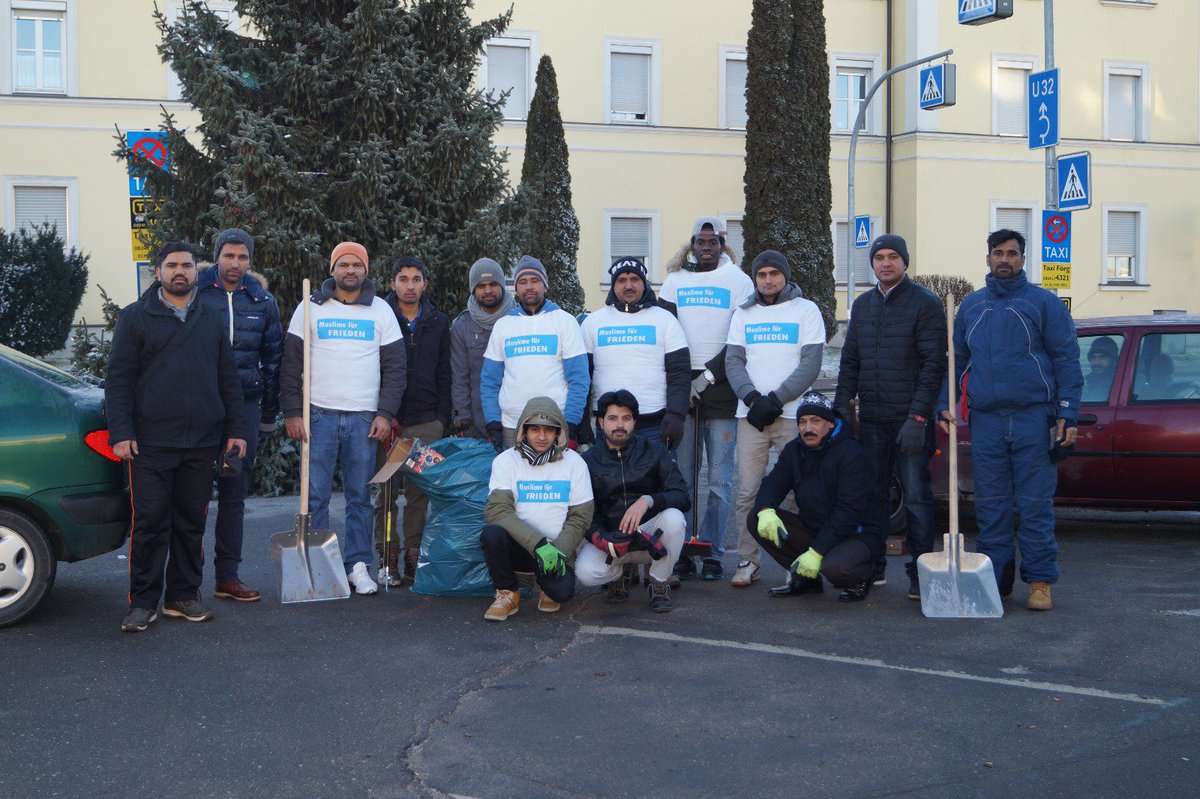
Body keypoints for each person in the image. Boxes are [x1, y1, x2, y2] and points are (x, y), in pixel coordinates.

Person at [938, 229, 1082, 612]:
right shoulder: (971, 306)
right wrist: (944, 403)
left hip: (1034, 417)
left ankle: (1039, 581)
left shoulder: (1043, 304)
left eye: (1012, 254)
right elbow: (955, 362)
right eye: (998, 253)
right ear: (987, 258)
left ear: (1022, 259)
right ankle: (996, 583)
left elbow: (1067, 358)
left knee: (1035, 503)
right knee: (991, 505)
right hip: (986, 421)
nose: (1005, 259)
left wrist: (1068, 412)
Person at [105, 242, 246, 632]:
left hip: (201, 442)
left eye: (186, 265)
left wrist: (236, 430)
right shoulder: (135, 318)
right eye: (172, 265)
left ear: (196, 271)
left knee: (190, 523)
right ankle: (143, 602)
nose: (179, 271)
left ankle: (183, 596)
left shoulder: (211, 318)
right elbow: (118, 381)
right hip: (149, 443)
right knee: (149, 523)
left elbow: (228, 379)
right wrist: (121, 433)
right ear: (159, 271)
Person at [279, 242, 406, 596]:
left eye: (357, 265)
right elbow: (291, 364)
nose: (350, 270)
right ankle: (321, 565)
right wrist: (292, 411)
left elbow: (395, 369)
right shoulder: (310, 307)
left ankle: (357, 565)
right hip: (317, 414)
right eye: (343, 264)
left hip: (364, 417)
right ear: (332, 268)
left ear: (365, 270)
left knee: (359, 497)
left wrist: (385, 413)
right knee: (315, 495)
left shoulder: (380, 310)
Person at [833, 234, 945, 600]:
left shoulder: (925, 304)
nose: (885, 263)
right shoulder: (863, 306)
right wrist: (841, 403)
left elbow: (933, 366)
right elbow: (850, 360)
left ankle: (920, 573)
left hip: (909, 421)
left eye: (893, 256)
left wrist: (918, 417)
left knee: (915, 498)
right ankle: (874, 566)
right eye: (879, 257)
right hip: (873, 420)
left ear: (905, 262)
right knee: (873, 497)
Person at [659, 217, 754, 582]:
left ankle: (712, 550)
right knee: (681, 477)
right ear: (693, 244)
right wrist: (686, 381)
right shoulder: (675, 281)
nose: (707, 246)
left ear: (722, 244)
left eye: (713, 241)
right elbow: (666, 330)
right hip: (684, 387)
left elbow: (738, 336)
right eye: (701, 240)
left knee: (718, 479)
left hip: (722, 389)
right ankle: (682, 549)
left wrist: (709, 376)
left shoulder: (738, 280)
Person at [725, 250, 825, 588]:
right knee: (747, 492)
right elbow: (733, 362)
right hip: (750, 417)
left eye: (774, 274)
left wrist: (776, 400)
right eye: (762, 274)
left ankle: (795, 561)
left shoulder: (806, 310)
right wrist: (753, 400)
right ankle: (747, 560)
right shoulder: (743, 313)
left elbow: (810, 364)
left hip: (794, 418)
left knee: (798, 494)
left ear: (785, 275)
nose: (768, 280)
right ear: (755, 279)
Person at [195, 227, 282, 603]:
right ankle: (187, 580)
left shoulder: (262, 300)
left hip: (243, 408)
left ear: (250, 260)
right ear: (217, 257)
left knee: (234, 493)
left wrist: (267, 416)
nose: (235, 263)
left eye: (242, 257)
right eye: (228, 255)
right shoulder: (194, 292)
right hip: (198, 407)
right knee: (192, 495)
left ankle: (227, 576)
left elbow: (274, 360)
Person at [747, 392, 881, 602]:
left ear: (830, 423)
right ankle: (806, 580)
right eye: (802, 422)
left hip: (856, 534)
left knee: (835, 570)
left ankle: (865, 574)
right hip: (815, 527)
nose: (808, 428)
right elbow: (773, 483)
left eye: (815, 421)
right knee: (756, 519)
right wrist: (765, 510)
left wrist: (817, 552)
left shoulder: (851, 453)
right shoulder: (794, 450)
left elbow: (848, 511)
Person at [372, 256, 451, 586]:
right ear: (392, 283)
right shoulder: (379, 316)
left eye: (416, 279)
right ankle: (386, 554)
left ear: (424, 284)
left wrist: (441, 420)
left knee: (419, 493)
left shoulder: (438, 321)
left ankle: (413, 554)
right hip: (388, 422)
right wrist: (383, 414)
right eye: (402, 279)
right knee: (385, 493)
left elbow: (445, 373)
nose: (409, 285)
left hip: (425, 422)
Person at [480, 397, 593, 621]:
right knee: (492, 534)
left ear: (558, 432)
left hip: (556, 549)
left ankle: (544, 585)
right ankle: (507, 593)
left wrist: (558, 550)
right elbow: (497, 511)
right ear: (524, 430)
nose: (542, 437)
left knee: (562, 593)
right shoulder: (506, 461)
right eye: (535, 429)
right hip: (521, 546)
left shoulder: (575, 462)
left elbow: (581, 517)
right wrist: (538, 544)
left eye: (548, 430)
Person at [577, 390, 690, 612]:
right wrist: (600, 537)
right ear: (600, 422)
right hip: (614, 540)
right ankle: (619, 575)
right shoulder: (587, 461)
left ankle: (658, 580)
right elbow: (585, 511)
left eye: (626, 418)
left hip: (650, 537)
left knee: (675, 519)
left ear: (635, 422)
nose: (620, 424)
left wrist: (648, 501)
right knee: (585, 572)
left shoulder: (654, 450)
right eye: (612, 418)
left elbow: (682, 496)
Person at [480, 256, 590, 450]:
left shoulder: (565, 322)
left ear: (545, 285)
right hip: (510, 427)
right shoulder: (503, 326)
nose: (529, 286)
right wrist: (493, 423)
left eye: (535, 280)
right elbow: (489, 382)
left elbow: (579, 379)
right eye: (523, 282)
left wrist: (571, 424)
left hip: (553, 427)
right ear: (516, 289)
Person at [580, 257, 690, 446]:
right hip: (608, 427)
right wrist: (582, 422)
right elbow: (583, 376)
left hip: (655, 426)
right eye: (622, 280)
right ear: (613, 285)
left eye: (635, 280)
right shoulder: (592, 323)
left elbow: (679, 372)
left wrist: (676, 415)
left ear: (644, 283)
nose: (628, 285)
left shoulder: (666, 320)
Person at [451, 258, 515, 439]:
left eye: (493, 284)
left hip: (516, 418)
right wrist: (462, 416)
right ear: (473, 290)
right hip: (479, 423)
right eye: (481, 286)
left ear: (502, 285)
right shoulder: (461, 326)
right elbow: (459, 377)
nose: (487, 290)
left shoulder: (518, 319)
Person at [1081, 336, 1119, 403]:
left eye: (1103, 357)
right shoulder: (1087, 380)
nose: (1096, 362)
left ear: (1114, 360)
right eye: (1093, 357)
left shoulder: (1115, 383)